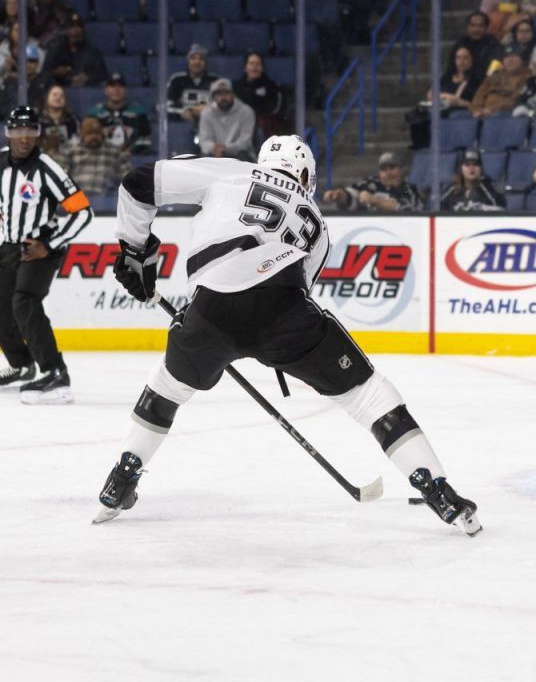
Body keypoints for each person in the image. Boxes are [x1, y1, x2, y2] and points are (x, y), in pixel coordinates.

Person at [93, 135, 480, 534]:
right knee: (366, 393)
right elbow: (296, 291)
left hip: (210, 311)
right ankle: (437, 488)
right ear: (307, 175)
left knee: (165, 389)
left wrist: (136, 252)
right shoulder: (318, 223)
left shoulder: (232, 172)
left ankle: (121, 477)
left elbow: (138, 182)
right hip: (283, 311)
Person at [0, 106, 94, 403]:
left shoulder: (46, 168)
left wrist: (49, 245)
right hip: (9, 246)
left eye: (30, 131)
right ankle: (21, 363)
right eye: (18, 131)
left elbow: (83, 212)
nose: (24, 138)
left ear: (38, 134)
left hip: (40, 247)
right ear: (8, 133)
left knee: (25, 302)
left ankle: (55, 373)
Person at [322, 150, 424, 213]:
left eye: (392, 167)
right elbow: (352, 195)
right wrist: (339, 195)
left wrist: (375, 200)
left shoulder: (410, 189)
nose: (388, 173)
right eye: (384, 169)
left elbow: (411, 211)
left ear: (401, 170)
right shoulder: (370, 183)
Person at [63, 115, 130, 198]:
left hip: (106, 200)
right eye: (90, 133)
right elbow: (62, 177)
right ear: (82, 136)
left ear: (102, 135)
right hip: (76, 199)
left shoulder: (115, 152)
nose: (94, 136)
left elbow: (128, 180)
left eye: (97, 133)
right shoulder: (71, 151)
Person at [88, 73, 151, 155]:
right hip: (102, 159)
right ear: (106, 90)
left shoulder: (139, 113)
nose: (116, 90)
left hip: (132, 159)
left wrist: (130, 151)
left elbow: (145, 140)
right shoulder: (94, 114)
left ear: (125, 90)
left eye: (120, 86)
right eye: (112, 86)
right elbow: (87, 140)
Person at [40, 13, 107, 88]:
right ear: (66, 30)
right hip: (59, 90)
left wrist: (88, 77)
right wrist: (56, 73)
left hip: (83, 92)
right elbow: (44, 74)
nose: (75, 31)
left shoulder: (93, 52)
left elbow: (102, 75)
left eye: (79, 27)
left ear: (83, 30)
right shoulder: (56, 49)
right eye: (72, 27)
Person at [198, 78, 257, 161]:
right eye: (219, 94)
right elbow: (204, 140)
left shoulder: (246, 111)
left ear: (233, 94)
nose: (223, 97)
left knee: (243, 156)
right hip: (215, 153)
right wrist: (214, 147)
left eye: (226, 93)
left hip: (239, 154)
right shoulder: (206, 113)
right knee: (204, 158)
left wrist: (225, 149)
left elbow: (245, 141)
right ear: (214, 97)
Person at [233, 51, 287, 138]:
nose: (254, 67)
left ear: (262, 68)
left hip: (263, 123)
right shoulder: (236, 86)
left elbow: (275, 108)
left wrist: (253, 114)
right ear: (245, 67)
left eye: (258, 64)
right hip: (240, 122)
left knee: (259, 129)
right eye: (251, 64)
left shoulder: (272, 86)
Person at [470, 47, 530, 118]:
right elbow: (480, 94)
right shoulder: (494, 75)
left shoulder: (527, 76)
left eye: (514, 56)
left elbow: (516, 98)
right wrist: (477, 109)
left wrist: (491, 110)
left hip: (505, 112)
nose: (510, 60)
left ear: (521, 60)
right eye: (507, 57)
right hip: (483, 112)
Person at [441, 149, 506, 212]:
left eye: (475, 164)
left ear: (481, 168)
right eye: (467, 165)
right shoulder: (452, 189)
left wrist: (482, 208)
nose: (471, 168)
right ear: (461, 168)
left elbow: (501, 209)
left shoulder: (489, 188)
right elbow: (439, 209)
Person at [167, 44, 218, 123]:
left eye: (201, 59)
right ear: (188, 61)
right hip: (183, 125)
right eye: (193, 58)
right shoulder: (177, 80)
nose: (197, 62)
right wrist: (181, 112)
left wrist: (208, 109)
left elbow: (224, 106)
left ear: (205, 63)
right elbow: (165, 106)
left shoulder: (215, 81)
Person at [428, 46, 480, 117]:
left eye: (465, 58)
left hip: (462, 113)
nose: (461, 61)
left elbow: (475, 105)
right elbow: (431, 94)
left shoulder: (476, 80)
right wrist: (445, 96)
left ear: (472, 60)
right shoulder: (447, 77)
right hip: (442, 108)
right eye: (458, 58)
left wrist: (458, 101)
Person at [39, 84, 79, 156]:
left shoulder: (72, 120)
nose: (58, 97)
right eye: (55, 95)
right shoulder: (38, 120)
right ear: (47, 98)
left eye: (61, 96)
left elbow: (77, 141)